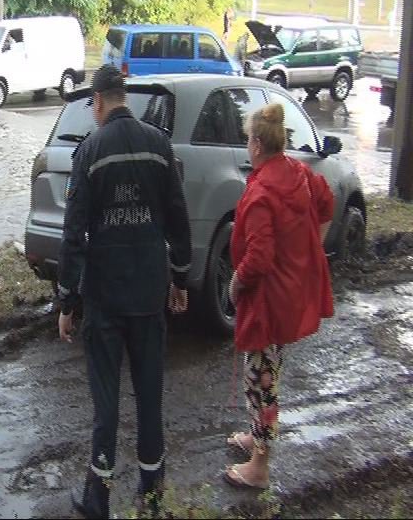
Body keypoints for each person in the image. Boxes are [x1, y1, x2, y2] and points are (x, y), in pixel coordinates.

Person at [57, 64, 192, 518]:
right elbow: (178, 217)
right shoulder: (159, 145)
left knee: (106, 400)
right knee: (150, 395)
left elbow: (73, 233)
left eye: (92, 105)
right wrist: (180, 278)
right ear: (123, 97)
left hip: (106, 297)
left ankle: (98, 498)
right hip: (149, 293)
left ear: (97, 102)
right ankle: (152, 494)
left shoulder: (90, 151)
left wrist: (67, 300)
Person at [224, 103, 334, 489]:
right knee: (266, 369)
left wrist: (235, 283)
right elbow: (327, 205)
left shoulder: (261, 193)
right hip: (289, 290)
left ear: (256, 143)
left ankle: (260, 466)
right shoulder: (299, 173)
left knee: (261, 377)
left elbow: (258, 258)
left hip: (268, 299)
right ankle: (257, 436)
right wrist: (308, 255)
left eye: (247, 139)